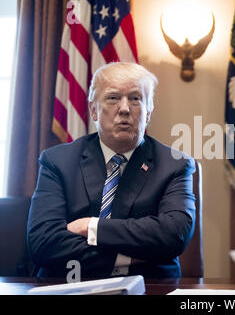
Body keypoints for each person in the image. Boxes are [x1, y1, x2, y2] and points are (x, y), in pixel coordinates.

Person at [27, 62, 196, 278]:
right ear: (94, 110)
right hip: (68, 286)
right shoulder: (57, 161)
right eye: (113, 98)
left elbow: (175, 235)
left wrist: (91, 227)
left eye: (135, 99)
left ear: (149, 111)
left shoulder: (174, 164)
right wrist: (127, 258)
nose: (124, 109)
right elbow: (43, 242)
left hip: (147, 287)